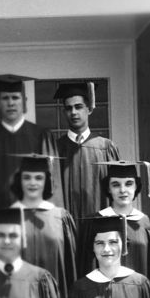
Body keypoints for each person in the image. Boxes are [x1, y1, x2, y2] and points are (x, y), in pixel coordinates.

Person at [77, 160, 150, 291]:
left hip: (138, 295)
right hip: (101, 295)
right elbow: (85, 266)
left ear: (136, 186)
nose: (123, 190)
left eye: (129, 184)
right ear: (108, 188)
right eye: (115, 185)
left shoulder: (149, 224)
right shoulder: (92, 222)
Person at [0, 74, 50, 211]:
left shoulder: (41, 136)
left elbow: (51, 182)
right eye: (5, 98)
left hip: (34, 218)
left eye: (15, 97)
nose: (11, 103)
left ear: (24, 100)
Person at [42, 82, 120, 219]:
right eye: (68, 108)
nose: (73, 112)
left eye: (78, 107)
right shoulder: (56, 149)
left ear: (89, 109)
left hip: (100, 228)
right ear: (64, 112)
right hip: (67, 226)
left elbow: (117, 192)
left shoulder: (106, 147)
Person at [9, 154, 78, 298]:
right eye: (27, 177)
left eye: (38, 178)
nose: (32, 183)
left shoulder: (61, 217)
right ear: (19, 181)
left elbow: (71, 268)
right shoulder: (7, 218)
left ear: (47, 181)